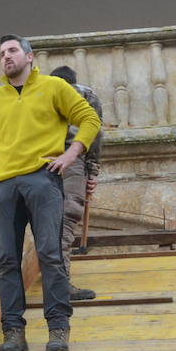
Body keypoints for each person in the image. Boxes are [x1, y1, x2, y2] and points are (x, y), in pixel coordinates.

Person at [0, 35, 102, 351]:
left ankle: (58, 329)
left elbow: (89, 119)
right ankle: (13, 331)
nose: (6, 57)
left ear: (29, 56)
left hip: (43, 178)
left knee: (50, 254)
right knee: (6, 259)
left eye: (12, 51)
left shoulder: (54, 87)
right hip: (3, 186)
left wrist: (71, 155)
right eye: (1, 53)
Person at [49, 65, 104, 301]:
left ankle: (55, 278)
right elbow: (95, 134)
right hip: (71, 159)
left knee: (53, 220)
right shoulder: (87, 96)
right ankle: (59, 284)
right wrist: (92, 172)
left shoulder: (42, 93)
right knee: (65, 220)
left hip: (45, 158)